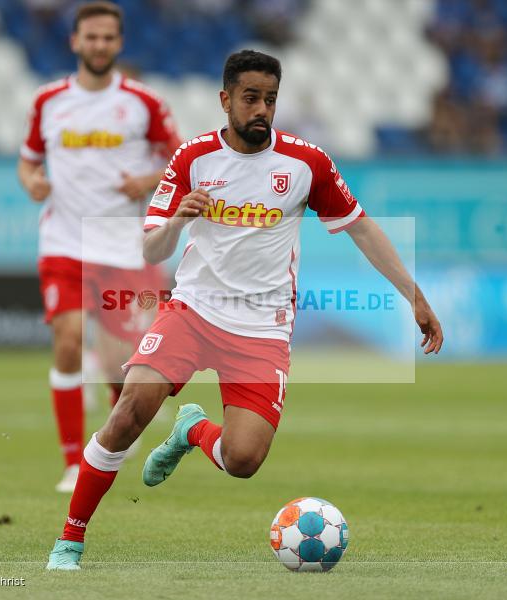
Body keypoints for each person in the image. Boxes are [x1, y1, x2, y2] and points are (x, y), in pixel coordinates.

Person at [45, 49, 444, 570]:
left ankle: (193, 430)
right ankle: (69, 541)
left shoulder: (306, 164)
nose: (261, 110)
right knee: (128, 414)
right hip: (192, 311)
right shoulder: (193, 158)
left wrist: (413, 294)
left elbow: (361, 227)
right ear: (226, 99)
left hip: (262, 328)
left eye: (270, 100)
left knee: (243, 460)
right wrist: (176, 221)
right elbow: (150, 250)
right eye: (251, 98)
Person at [17, 1, 181, 493]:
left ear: (119, 42)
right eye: (91, 37)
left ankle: (117, 430)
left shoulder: (142, 102)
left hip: (122, 247)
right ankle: (74, 461)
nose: (99, 45)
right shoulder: (48, 101)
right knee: (68, 341)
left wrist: (148, 180)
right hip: (64, 242)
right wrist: (32, 183)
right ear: (75, 41)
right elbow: (27, 162)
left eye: (108, 38)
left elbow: (181, 158)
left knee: (117, 361)